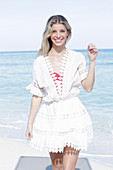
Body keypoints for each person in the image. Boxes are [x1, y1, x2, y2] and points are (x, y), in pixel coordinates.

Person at [26, 15, 98, 170]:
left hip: (73, 114)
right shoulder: (39, 62)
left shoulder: (77, 58)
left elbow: (88, 87)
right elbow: (37, 94)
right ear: (48, 34)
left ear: (68, 33)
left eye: (62, 31)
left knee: (68, 169)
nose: (58, 35)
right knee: (57, 168)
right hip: (51, 116)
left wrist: (92, 62)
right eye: (54, 31)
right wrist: (30, 123)